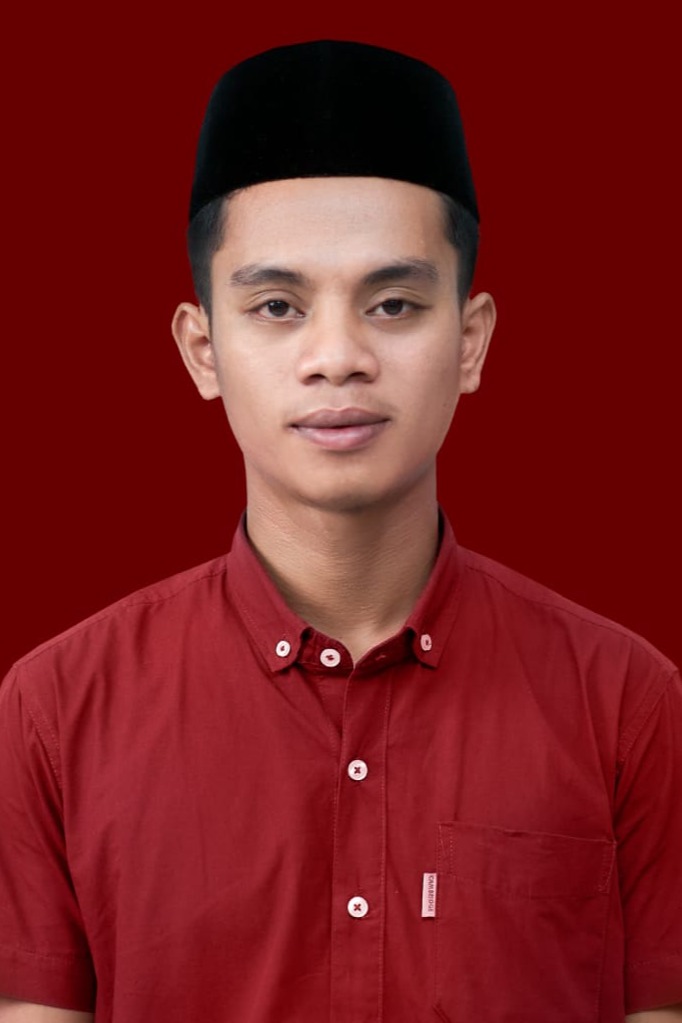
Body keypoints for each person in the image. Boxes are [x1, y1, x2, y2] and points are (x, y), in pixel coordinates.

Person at [0, 39, 680, 1023]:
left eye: (393, 304)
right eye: (277, 306)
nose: (337, 356)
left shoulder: (627, 705)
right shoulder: (54, 713)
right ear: (203, 348)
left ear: (470, 340)